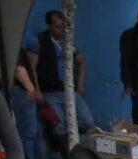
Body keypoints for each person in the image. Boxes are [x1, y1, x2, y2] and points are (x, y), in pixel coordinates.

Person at [25, 11, 95, 139]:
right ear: (49, 26)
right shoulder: (38, 42)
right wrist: (37, 90)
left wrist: (80, 85)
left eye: (63, 27)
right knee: (59, 126)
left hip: (69, 90)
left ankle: (76, 145)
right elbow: (31, 68)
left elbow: (81, 62)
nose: (61, 30)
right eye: (57, 27)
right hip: (49, 91)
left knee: (87, 121)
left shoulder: (67, 42)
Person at [12, 50, 43, 159]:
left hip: (23, 90)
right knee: (28, 134)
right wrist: (30, 88)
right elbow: (18, 68)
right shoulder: (13, 44)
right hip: (21, 91)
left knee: (35, 133)